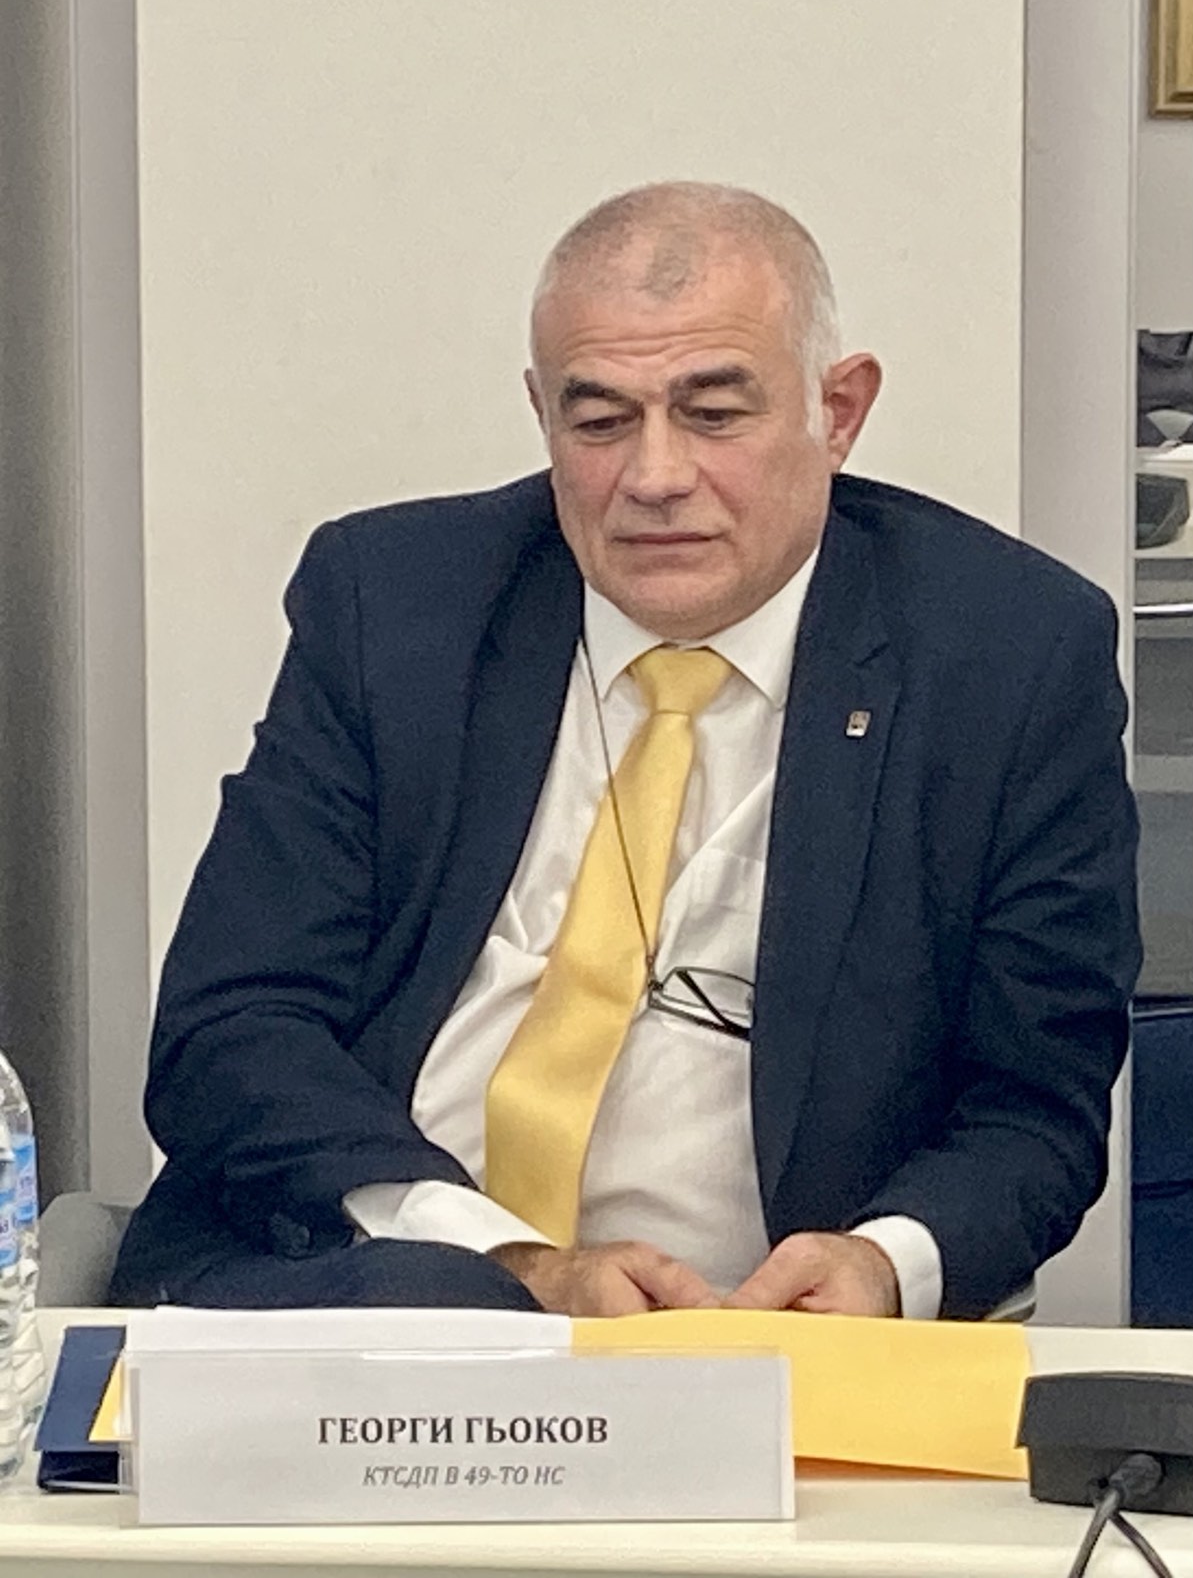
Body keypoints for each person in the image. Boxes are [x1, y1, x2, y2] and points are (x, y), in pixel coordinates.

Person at [111, 182, 1140, 1321]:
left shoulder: (1005, 654)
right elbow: (231, 1029)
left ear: (837, 411)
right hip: (381, 1296)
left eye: (713, 414)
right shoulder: (394, 605)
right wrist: (498, 1264)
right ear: (541, 414)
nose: (652, 477)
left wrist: (882, 1263)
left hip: (763, 1338)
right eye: (598, 422)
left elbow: (1032, 1110)